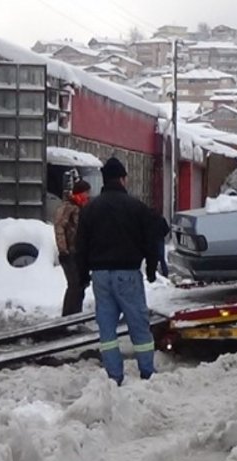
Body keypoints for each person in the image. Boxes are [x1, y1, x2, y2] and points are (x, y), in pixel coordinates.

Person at [76, 157, 158, 385]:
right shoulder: (136, 207)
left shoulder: (90, 209)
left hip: (100, 276)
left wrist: (82, 276)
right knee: (138, 324)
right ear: (122, 179)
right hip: (128, 274)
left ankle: (114, 376)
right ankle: (147, 372)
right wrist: (151, 269)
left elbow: (80, 246)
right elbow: (150, 240)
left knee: (107, 327)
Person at [54, 179, 91, 316]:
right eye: (86, 192)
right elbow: (59, 228)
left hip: (79, 253)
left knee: (80, 285)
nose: (88, 195)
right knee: (74, 285)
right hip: (69, 253)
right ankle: (69, 317)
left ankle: (76, 316)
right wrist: (63, 250)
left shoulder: (82, 207)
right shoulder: (68, 207)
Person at [154, 213, 170, 278]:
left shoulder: (149, 219)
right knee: (161, 257)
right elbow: (167, 229)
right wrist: (162, 235)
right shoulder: (161, 219)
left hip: (153, 240)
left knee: (153, 256)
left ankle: (154, 270)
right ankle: (165, 272)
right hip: (160, 239)